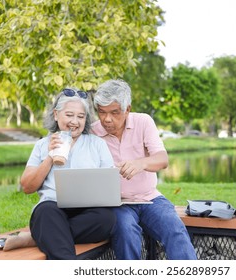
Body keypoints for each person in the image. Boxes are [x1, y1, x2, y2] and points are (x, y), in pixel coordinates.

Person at [91, 79, 197, 260]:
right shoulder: (92, 132)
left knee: (174, 229)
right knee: (126, 231)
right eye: (102, 112)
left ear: (127, 109)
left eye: (114, 113)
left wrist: (140, 163)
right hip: (117, 204)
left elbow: (162, 160)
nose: (107, 119)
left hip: (150, 198)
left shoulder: (143, 122)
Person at [20, 88, 116, 260]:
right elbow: (27, 187)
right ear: (56, 115)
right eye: (69, 115)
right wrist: (50, 156)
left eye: (81, 116)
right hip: (52, 208)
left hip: (88, 212)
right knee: (46, 214)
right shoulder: (42, 145)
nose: (75, 121)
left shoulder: (97, 144)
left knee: (107, 219)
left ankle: (46, 235)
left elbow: (109, 184)